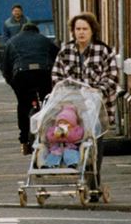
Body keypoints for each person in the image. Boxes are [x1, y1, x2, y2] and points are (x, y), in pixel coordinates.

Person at [51, 12, 119, 199]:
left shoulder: (103, 51)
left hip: (96, 107)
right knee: (72, 139)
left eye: (85, 29)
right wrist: (66, 93)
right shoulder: (65, 52)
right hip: (72, 107)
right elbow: (57, 76)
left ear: (92, 31)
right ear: (73, 31)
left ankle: (93, 181)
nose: (81, 33)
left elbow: (112, 77)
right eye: (78, 29)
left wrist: (97, 90)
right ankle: (75, 174)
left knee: (94, 142)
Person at [0, 22, 59, 155]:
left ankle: (24, 141)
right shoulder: (45, 40)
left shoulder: (12, 41)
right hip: (44, 73)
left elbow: (4, 65)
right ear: (37, 31)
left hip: (22, 75)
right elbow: (58, 59)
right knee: (48, 102)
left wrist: (12, 83)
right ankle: (51, 136)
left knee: (23, 104)